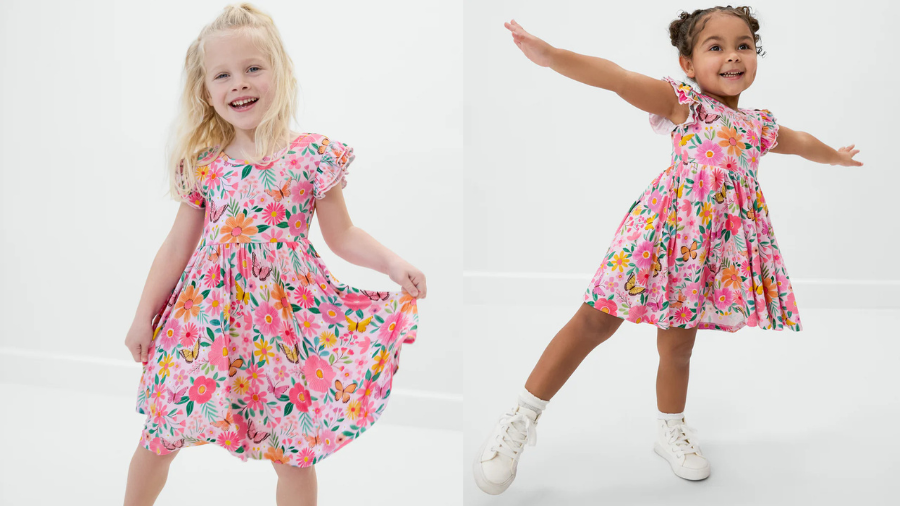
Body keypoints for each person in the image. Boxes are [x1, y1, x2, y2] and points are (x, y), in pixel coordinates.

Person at [473, 5, 862, 495]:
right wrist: (551, 55)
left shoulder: (759, 126)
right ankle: (521, 419)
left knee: (678, 346)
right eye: (715, 47)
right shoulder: (686, 104)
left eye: (743, 45)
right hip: (658, 236)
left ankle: (670, 429)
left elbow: (801, 141)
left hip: (707, 255)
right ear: (688, 64)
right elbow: (617, 78)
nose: (732, 56)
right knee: (593, 321)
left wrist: (836, 158)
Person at [122, 4, 425, 505]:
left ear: (279, 73)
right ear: (205, 90)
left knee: (292, 452)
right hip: (204, 322)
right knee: (162, 431)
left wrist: (395, 263)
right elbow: (178, 245)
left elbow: (343, 234)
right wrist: (142, 317)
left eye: (252, 68)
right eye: (223, 74)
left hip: (281, 327)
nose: (239, 84)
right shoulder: (203, 162)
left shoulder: (311, 155)